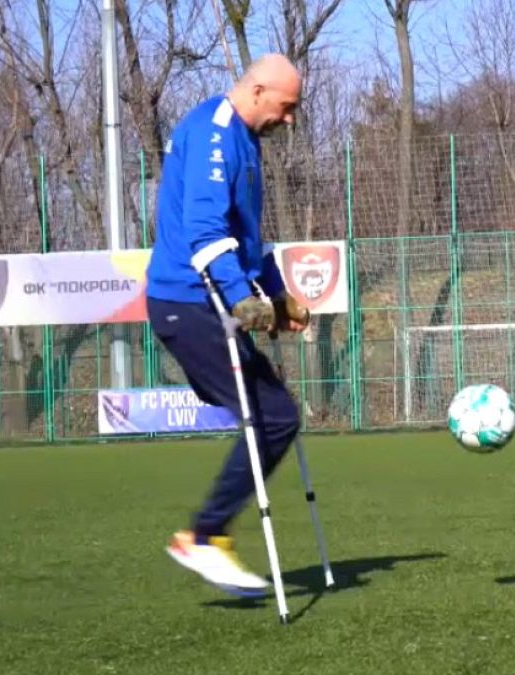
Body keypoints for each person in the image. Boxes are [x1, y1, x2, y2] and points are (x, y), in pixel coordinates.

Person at [145, 54, 310, 597]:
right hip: (188, 302)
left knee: (274, 416)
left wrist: (278, 296)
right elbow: (205, 230)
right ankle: (203, 536)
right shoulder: (216, 131)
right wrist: (243, 300)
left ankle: (207, 535)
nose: (289, 120)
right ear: (258, 90)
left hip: (203, 304)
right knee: (275, 416)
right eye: (286, 107)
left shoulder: (248, 140)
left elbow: (246, 239)